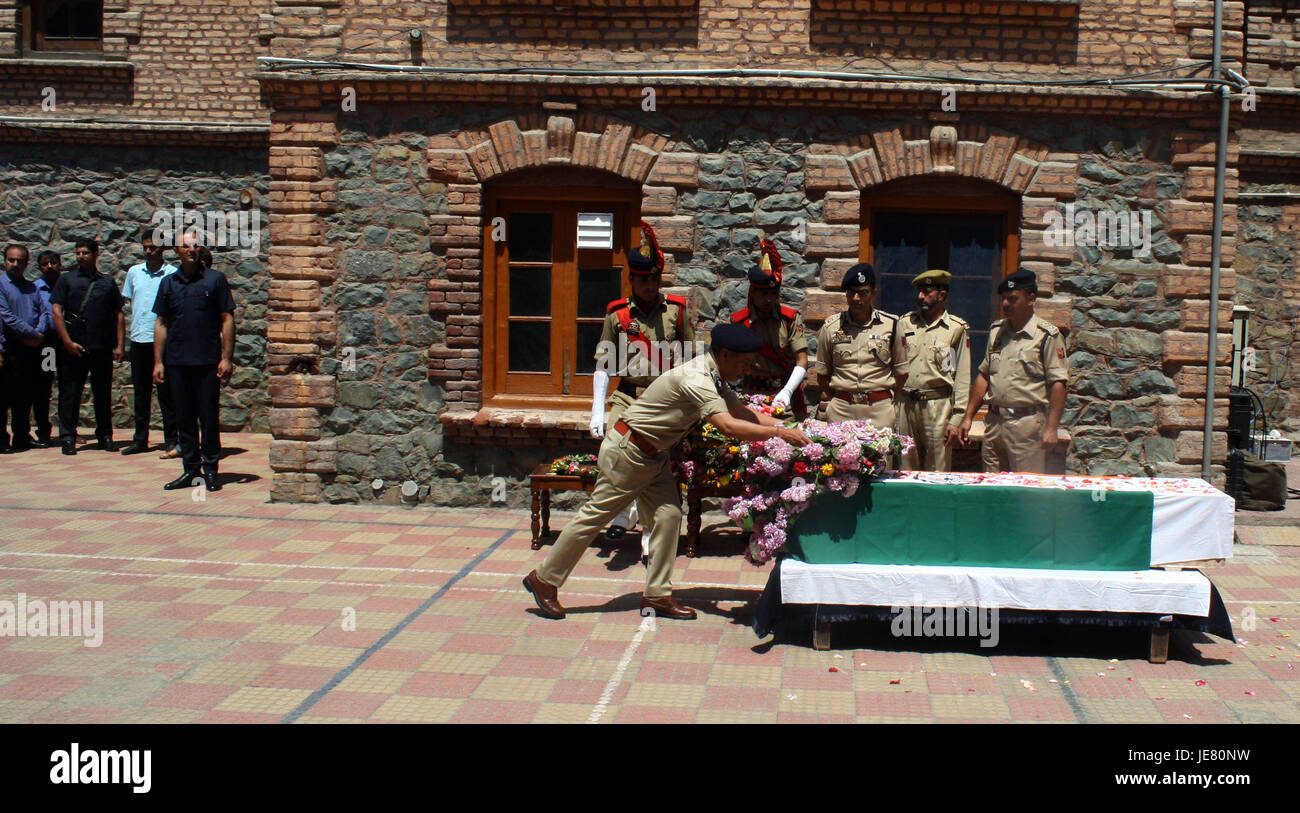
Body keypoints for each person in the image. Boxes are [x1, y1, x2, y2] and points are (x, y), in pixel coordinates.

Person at [525, 323, 811, 621]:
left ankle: (658, 595)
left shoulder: (714, 373)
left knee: (668, 516)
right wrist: (780, 434)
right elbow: (727, 426)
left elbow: (741, 412)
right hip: (629, 451)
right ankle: (544, 579)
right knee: (594, 517)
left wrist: (789, 428)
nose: (748, 367)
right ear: (725, 354)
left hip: (653, 455)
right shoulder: (697, 378)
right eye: (743, 361)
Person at [590, 221, 695, 543]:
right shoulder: (617, 315)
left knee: (655, 459)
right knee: (613, 448)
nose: (650, 285)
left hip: (663, 399)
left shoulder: (676, 312)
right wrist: (596, 409)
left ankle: (651, 528)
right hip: (628, 394)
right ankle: (621, 514)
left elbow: (692, 360)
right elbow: (604, 365)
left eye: (654, 279)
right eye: (643, 280)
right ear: (632, 279)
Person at [956, 269, 1067, 473]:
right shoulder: (997, 331)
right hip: (994, 423)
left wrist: (1052, 427)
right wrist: (969, 416)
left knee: (1025, 490)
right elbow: (984, 375)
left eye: (1013, 299)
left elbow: (1058, 383)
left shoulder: (1046, 336)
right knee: (993, 487)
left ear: (1031, 299)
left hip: (1027, 426)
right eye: (1004, 299)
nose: (1006, 304)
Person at [152, 234, 236, 492]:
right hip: (177, 362)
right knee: (184, 418)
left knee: (208, 418)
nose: (192, 249)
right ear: (176, 250)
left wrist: (227, 357)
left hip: (207, 362)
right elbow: (161, 323)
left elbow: (227, 319)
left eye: (196, 245)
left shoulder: (215, 280)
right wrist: (158, 361)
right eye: (186, 245)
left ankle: (210, 470)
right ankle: (190, 470)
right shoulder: (168, 283)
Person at [49, 239, 124, 454]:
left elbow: (118, 314)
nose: (81, 256)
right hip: (73, 347)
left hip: (100, 346)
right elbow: (56, 311)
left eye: (85, 253)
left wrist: (119, 344)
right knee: (69, 393)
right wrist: (67, 342)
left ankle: (105, 436)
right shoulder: (66, 280)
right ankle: (68, 437)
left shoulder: (107, 283)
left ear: (95, 254)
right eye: (78, 253)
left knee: (103, 394)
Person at [814, 263, 908, 428]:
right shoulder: (831, 327)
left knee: (880, 454)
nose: (856, 298)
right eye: (851, 293)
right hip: (842, 409)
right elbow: (822, 374)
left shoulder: (892, 325)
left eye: (863, 292)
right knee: (840, 453)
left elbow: (901, 372)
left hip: (879, 410)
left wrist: (886, 399)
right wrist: (839, 397)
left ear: (873, 293)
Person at [897, 269, 971, 471]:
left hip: (937, 406)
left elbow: (961, 376)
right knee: (904, 468)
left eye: (927, 291)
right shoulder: (905, 323)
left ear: (942, 294)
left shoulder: (955, 329)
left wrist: (957, 418)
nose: (920, 296)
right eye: (919, 291)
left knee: (937, 470)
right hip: (905, 406)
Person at [728, 239, 810, 418]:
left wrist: (788, 391)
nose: (769, 299)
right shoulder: (740, 322)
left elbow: (802, 359)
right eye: (764, 293)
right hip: (750, 396)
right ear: (753, 292)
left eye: (774, 294)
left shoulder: (789, 319)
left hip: (783, 397)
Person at [120, 231, 178, 456]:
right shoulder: (134, 273)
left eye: (152, 248)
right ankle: (140, 439)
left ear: (162, 249)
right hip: (139, 339)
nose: (148, 251)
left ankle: (171, 440)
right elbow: (129, 304)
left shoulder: (172, 274)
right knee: (141, 393)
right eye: (144, 247)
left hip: (162, 343)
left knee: (167, 394)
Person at [0, 245, 52, 453]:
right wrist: (31, 334)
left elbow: (43, 313)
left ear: (26, 263)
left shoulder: (32, 287)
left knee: (24, 396)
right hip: (9, 347)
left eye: (20, 261)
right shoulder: (2, 285)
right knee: (3, 398)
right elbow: (6, 316)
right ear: (5, 260)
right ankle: (2, 441)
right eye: (12, 260)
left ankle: (22, 437)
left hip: (30, 349)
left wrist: (39, 334)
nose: (16, 264)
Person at [31, 251, 62, 447]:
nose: (49, 266)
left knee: (69, 386)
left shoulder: (67, 284)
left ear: (60, 264)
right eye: (45, 264)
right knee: (44, 385)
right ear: (39, 267)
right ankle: (43, 430)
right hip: (48, 344)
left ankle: (68, 429)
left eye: (53, 262)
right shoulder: (34, 288)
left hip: (67, 341)